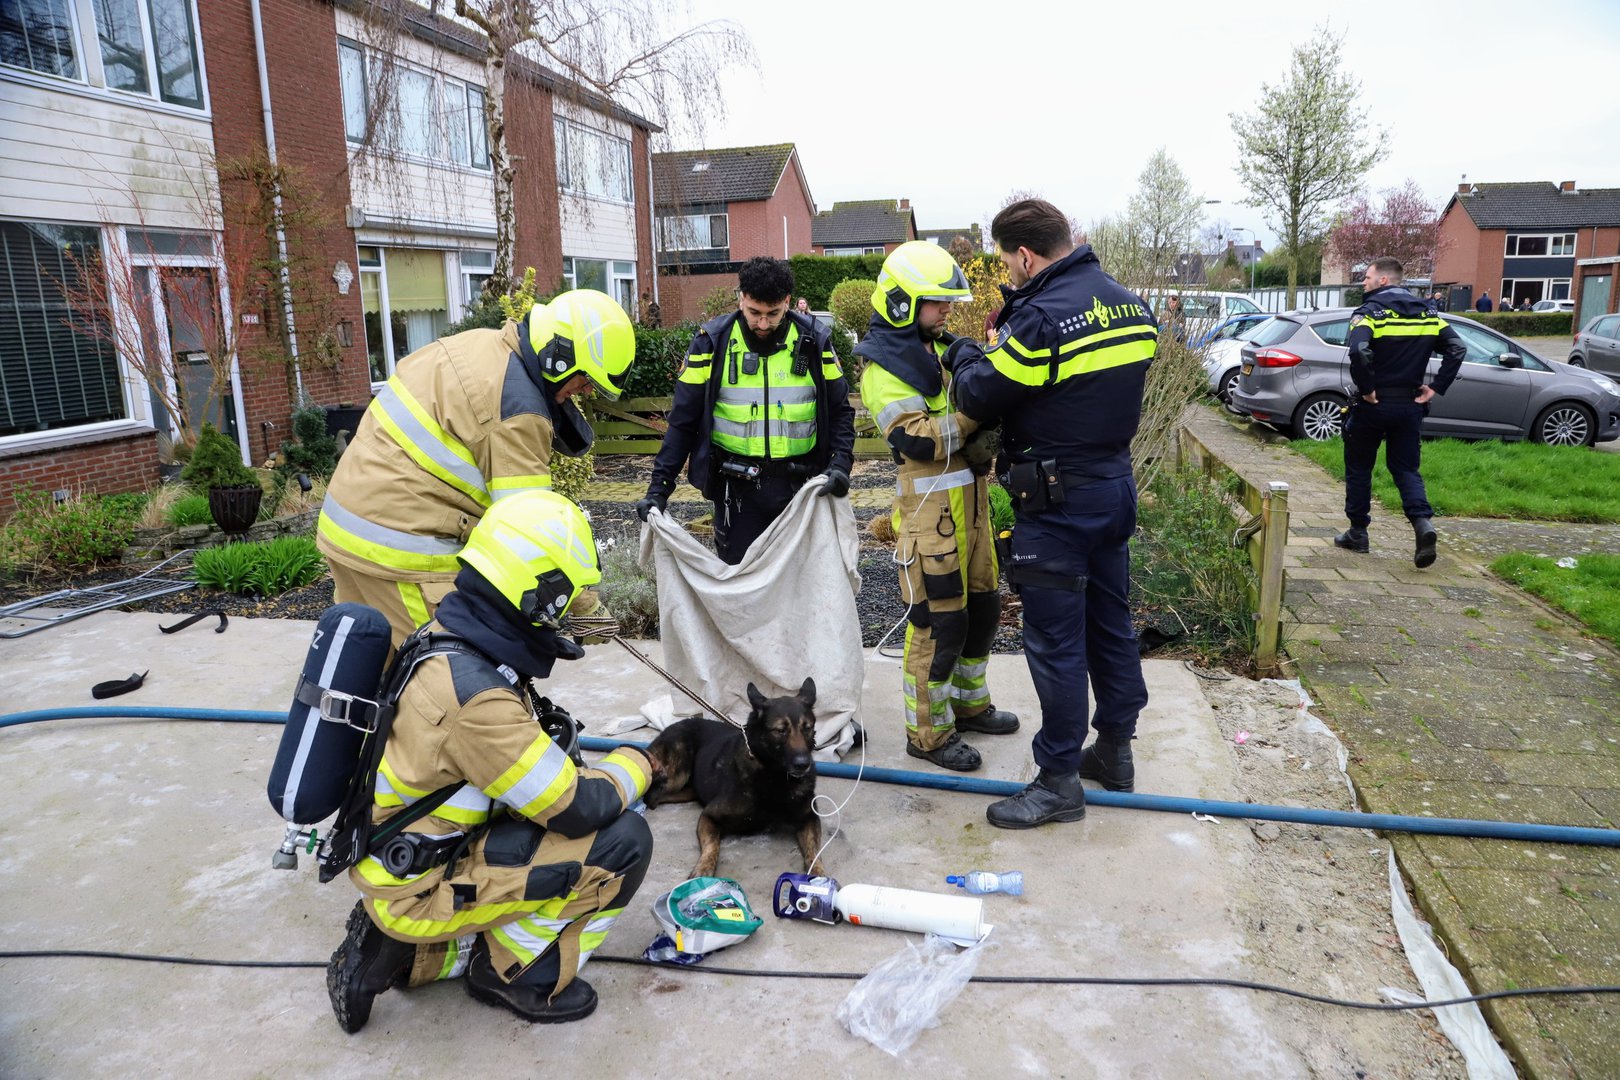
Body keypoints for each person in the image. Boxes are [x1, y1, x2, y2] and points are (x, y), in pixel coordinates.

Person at [327, 489, 655, 1030]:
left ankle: (410, 956)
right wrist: (642, 763)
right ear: (537, 596)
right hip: (418, 881)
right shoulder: (477, 700)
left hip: (399, 852)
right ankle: (515, 975)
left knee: (565, 786)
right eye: (566, 604)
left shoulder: (443, 637)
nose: (568, 619)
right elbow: (576, 805)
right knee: (624, 839)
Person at [951, 199, 1156, 829]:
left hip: (1057, 501)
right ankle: (1115, 753)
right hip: (1113, 487)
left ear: (1024, 255)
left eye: (1010, 265)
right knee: (1111, 624)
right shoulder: (1130, 304)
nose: (1011, 275)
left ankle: (1059, 780)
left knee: (1056, 644)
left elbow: (981, 392)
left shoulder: (1040, 319)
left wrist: (966, 353)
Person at [317, 289, 635, 645]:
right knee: (435, 679)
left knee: (366, 668)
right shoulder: (518, 412)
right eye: (586, 379)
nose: (587, 391)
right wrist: (584, 607)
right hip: (400, 552)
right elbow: (530, 532)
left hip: (346, 526)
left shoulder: (480, 345)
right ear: (559, 357)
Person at [855, 241, 1019, 773]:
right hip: (930, 520)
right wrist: (978, 406)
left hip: (969, 508)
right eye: (936, 302)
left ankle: (969, 706)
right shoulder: (882, 369)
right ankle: (927, 734)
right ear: (902, 302)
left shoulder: (930, 350)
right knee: (937, 626)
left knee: (983, 611)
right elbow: (919, 440)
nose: (946, 311)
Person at [635, 257, 856, 564]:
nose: (763, 324)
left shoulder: (816, 342)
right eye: (754, 312)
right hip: (736, 495)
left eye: (773, 314)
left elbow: (841, 411)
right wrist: (658, 489)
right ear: (740, 298)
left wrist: (841, 464)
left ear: (788, 303)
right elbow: (682, 422)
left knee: (801, 591)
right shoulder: (711, 344)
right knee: (739, 593)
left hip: (799, 490)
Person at [1333, 257, 1466, 568]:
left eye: (1366, 277)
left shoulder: (1370, 313)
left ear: (1382, 280)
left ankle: (1357, 533)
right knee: (1406, 469)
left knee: (1359, 467)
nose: (1363, 283)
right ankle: (1423, 525)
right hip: (1409, 405)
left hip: (1373, 405)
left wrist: (1367, 388)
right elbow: (1457, 348)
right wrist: (1437, 386)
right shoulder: (1429, 313)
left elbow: (1358, 350)